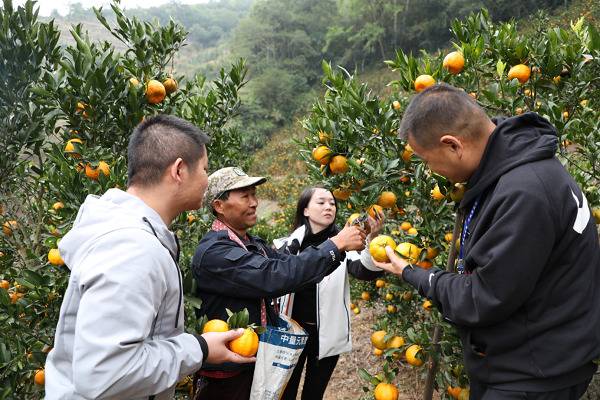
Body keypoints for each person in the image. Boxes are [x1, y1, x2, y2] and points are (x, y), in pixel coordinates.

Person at [372, 84, 600, 400]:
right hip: (529, 362)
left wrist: (416, 274)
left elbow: (482, 298)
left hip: (533, 375)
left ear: (452, 145)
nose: (430, 170)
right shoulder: (510, 174)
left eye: (427, 160)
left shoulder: (524, 192)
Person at [45, 115, 254, 400]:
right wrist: (200, 349)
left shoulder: (135, 237)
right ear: (179, 170)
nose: (207, 179)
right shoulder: (132, 248)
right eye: (205, 169)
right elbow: (106, 374)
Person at [191, 167, 367, 400]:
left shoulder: (252, 244)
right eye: (245, 196)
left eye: (254, 194)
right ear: (219, 206)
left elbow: (295, 268)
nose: (254, 202)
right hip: (228, 377)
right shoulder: (216, 252)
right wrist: (335, 245)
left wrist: (340, 247)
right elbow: (277, 276)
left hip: (255, 365)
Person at [275, 186, 385, 400]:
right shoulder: (285, 246)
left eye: (332, 203)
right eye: (321, 202)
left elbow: (365, 272)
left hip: (326, 337)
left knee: (314, 394)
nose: (329, 207)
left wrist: (373, 239)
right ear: (305, 210)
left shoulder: (345, 248)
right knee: (285, 393)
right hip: (291, 335)